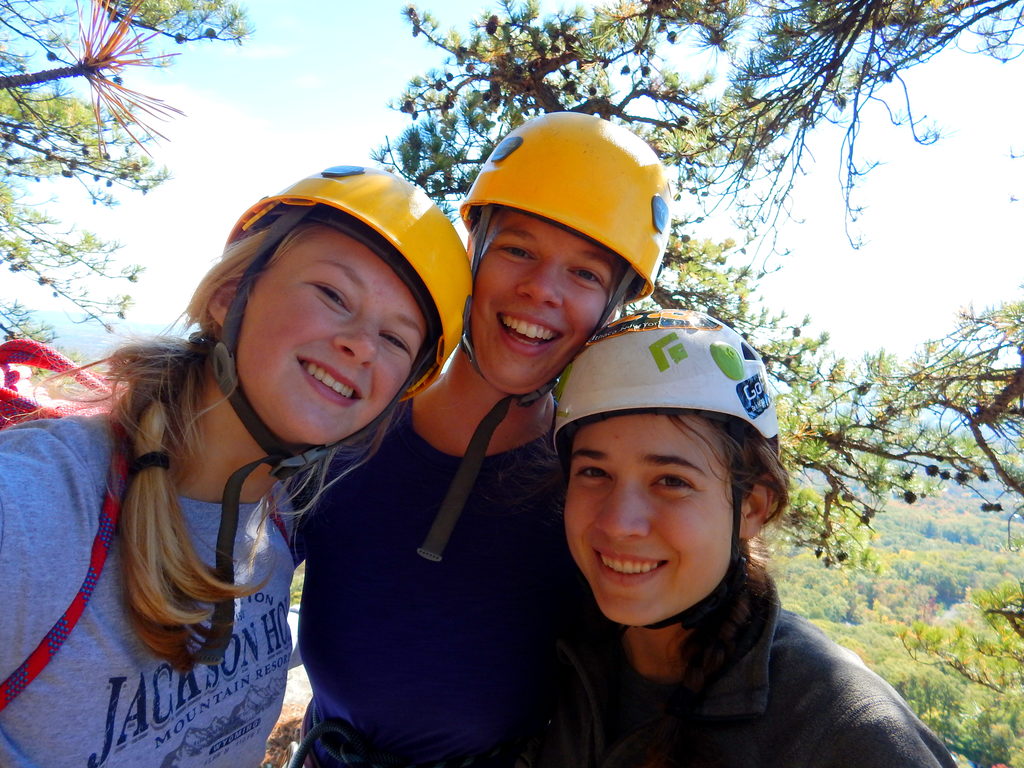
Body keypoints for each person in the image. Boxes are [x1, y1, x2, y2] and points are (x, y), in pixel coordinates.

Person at [0, 165, 471, 768]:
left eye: (397, 339)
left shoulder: (280, 524)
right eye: (332, 294)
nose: (361, 345)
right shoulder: (36, 511)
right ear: (230, 296)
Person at [290, 113, 674, 767]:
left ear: (610, 306)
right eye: (519, 249)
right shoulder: (350, 429)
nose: (541, 290)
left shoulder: (590, 496)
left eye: (585, 274)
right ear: (476, 249)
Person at [527, 308, 959, 768]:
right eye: (594, 472)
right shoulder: (553, 651)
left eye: (671, 481)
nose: (618, 523)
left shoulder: (845, 730)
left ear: (752, 506)